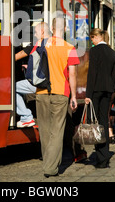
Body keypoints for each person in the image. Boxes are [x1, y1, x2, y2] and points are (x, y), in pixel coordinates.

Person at [35, 16, 79, 177]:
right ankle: (50, 167)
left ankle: (49, 162)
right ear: (65, 28)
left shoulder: (41, 44)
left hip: (41, 92)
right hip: (60, 92)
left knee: (45, 130)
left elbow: (33, 64)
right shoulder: (69, 48)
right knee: (57, 131)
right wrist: (74, 96)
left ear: (52, 28)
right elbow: (72, 74)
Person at [84, 28, 115, 168]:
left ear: (96, 37)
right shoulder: (112, 52)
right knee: (104, 120)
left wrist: (88, 94)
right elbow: (114, 74)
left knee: (96, 123)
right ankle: (105, 156)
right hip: (108, 90)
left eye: (92, 38)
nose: (92, 41)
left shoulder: (94, 51)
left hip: (96, 89)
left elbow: (92, 73)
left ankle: (100, 157)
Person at [14, 22, 51, 128]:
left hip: (38, 83)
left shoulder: (37, 44)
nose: (34, 35)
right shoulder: (57, 43)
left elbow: (16, 57)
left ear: (42, 32)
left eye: (36, 32)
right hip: (53, 84)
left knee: (12, 89)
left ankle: (26, 117)